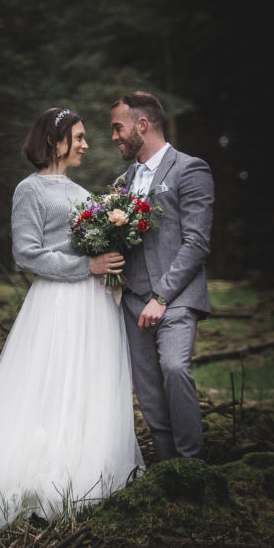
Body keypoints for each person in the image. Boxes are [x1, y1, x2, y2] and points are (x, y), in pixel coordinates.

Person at [0, 107, 144, 544]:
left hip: (95, 306)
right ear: (54, 141)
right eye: (77, 137)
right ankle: (35, 488)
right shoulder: (29, 190)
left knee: (87, 387)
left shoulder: (81, 190)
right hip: (57, 303)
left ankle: (84, 481)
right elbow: (27, 253)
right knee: (50, 388)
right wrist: (88, 265)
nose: (84, 144)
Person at [110, 91, 214, 462]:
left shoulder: (191, 169)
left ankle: (191, 464)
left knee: (174, 368)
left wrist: (162, 297)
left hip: (177, 297)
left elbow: (197, 243)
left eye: (118, 128)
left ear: (142, 124)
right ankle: (167, 466)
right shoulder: (122, 182)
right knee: (148, 388)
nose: (114, 136)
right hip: (133, 299)